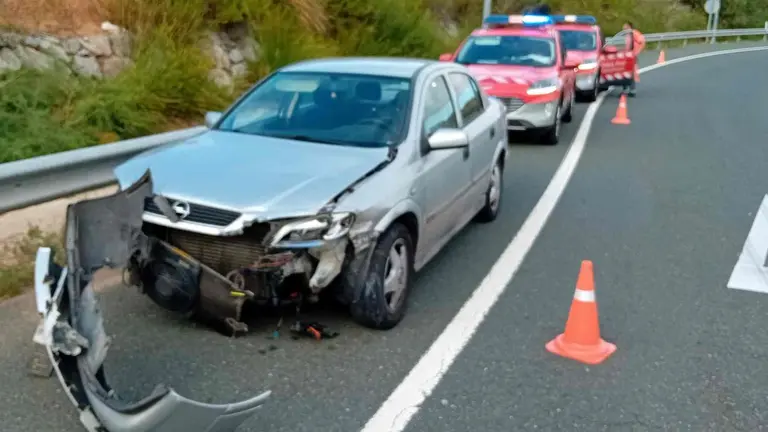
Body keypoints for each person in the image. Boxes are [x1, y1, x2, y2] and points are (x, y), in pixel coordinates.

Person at [622, 21, 645, 97]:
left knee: (631, 73)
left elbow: (642, 41)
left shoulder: (634, 33)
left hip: (632, 56)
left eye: (625, 26)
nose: (623, 27)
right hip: (627, 56)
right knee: (625, 72)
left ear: (629, 26)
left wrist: (636, 52)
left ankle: (632, 90)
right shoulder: (627, 34)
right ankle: (626, 90)